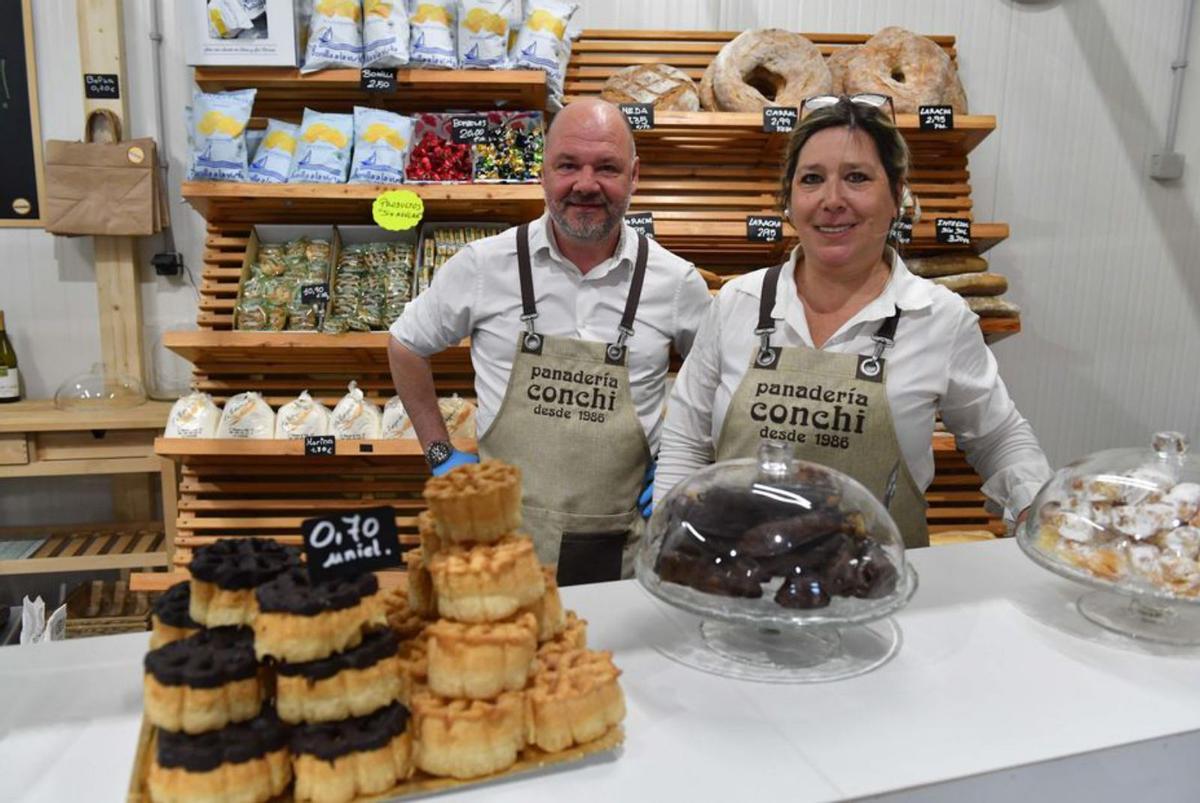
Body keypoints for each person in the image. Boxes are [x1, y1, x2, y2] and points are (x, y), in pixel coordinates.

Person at [654, 94, 1051, 547]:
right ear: (789, 198)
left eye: (857, 178)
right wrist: (670, 538)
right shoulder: (736, 304)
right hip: (737, 583)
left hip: (876, 588)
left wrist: (1035, 510)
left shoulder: (938, 317)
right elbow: (685, 442)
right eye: (812, 179)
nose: (832, 199)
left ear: (896, 195)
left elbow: (999, 436)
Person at [388, 98, 712, 583]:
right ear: (543, 171)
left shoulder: (676, 283)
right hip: (503, 541)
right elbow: (406, 344)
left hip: (620, 547)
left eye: (607, 167)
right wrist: (440, 452)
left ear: (635, 176)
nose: (586, 184)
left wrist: (689, 465)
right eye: (568, 165)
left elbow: (719, 379)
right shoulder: (483, 266)